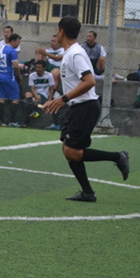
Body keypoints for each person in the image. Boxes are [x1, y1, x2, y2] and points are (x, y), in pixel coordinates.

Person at [44, 17, 130, 202]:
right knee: (68, 150)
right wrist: (59, 101)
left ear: (61, 32)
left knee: (72, 151)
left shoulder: (76, 54)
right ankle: (88, 193)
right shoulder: (69, 53)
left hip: (85, 107)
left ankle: (118, 157)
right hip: (77, 107)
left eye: (57, 29)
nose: (56, 32)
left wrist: (63, 99)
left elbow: (90, 81)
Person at [0, 33, 22, 127]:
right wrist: (19, 75)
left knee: (1, 98)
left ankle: (1, 121)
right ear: (13, 41)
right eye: (18, 42)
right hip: (8, 76)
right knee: (15, 98)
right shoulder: (12, 51)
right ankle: (12, 121)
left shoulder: (1, 49)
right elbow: (16, 66)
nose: (18, 44)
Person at [25, 60, 58, 129]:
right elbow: (32, 88)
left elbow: (51, 88)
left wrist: (49, 99)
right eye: (36, 67)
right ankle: (34, 111)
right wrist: (35, 96)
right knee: (27, 94)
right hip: (35, 93)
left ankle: (35, 110)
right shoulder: (32, 75)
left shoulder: (49, 75)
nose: (37, 69)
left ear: (44, 68)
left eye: (39, 68)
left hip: (44, 93)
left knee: (35, 99)